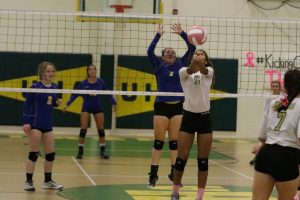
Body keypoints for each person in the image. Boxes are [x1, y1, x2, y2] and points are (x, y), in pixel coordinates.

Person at [146, 23, 196, 188]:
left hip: (177, 107)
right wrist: (158, 35)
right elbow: (149, 51)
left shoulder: (182, 63)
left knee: (174, 143)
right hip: (161, 107)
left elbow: (192, 47)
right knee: (159, 142)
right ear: (162, 56)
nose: (170, 52)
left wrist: (182, 33)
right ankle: (153, 174)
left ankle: (174, 174)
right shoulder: (158, 65)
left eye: (172, 51)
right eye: (167, 51)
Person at [170, 49, 214, 200]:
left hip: (204, 118)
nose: (198, 55)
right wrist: (193, 64)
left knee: (203, 160)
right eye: (196, 54)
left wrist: (199, 64)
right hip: (188, 117)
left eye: (202, 54)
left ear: (206, 60)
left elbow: (202, 70)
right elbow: (189, 70)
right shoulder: (183, 71)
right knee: (181, 159)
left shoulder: (209, 71)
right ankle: (175, 191)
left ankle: (199, 196)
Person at [251, 69, 300, 200]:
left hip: (266, 154)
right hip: (287, 156)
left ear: (285, 86)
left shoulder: (275, 103)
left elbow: (262, 136)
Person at [22, 61, 63, 191]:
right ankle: (29, 181)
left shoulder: (55, 87)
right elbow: (27, 105)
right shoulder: (35, 86)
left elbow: (53, 103)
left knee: (50, 154)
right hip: (35, 123)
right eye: (48, 71)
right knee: (33, 154)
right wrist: (26, 122)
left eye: (52, 71)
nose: (51, 73)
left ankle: (47, 181)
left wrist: (57, 102)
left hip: (48, 123)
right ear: (42, 73)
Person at [63, 64, 116, 159]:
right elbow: (75, 94)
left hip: (97, 107)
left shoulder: (101, 82)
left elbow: (108, 93)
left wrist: (113, 103)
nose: (92, 71)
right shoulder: (83, 83)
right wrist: (68, 104)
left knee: (101, 131)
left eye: (93, 69)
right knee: (83, 130)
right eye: (90, 69)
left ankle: (102, 152)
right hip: (86, 107)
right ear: (87, 71)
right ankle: (80, 151)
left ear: (96, 71)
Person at [249, 80, 282, 165]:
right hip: (268, 120)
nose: (274, 88)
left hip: (278, 122)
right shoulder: (268, 96)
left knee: (272, 141)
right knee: (263, 139)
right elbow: (266, 109)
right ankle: (257, 157)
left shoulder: (282, 97)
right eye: (273, 86)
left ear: (279, 88)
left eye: (276, 86)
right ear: (271, 87)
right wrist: (266, 120)